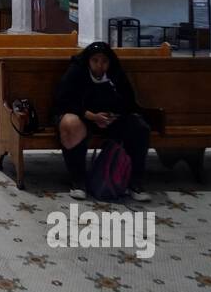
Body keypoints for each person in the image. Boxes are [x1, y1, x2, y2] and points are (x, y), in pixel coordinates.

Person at [53, 40, 150, 202]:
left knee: (139, 127)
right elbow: (64, 100)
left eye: (104, 61)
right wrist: (91, 116)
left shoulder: (115, 73)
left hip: (109, 118)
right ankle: (78, 180)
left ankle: (135, 182)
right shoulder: (77, 71)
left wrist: (113, 116)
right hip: (83, 116)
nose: (100, 65)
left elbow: (128, 101)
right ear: (88, 61)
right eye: (95, 61)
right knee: (71, 124)